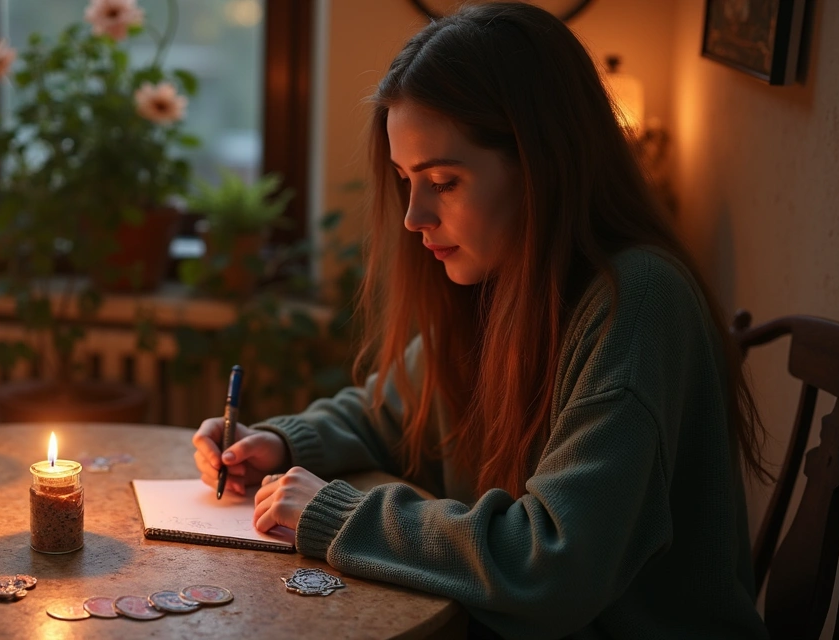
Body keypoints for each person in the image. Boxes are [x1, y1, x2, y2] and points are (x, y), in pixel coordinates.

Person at [192, 2, 770, 638]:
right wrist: (278, 442)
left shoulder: (637, 303)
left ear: (542, 164)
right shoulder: (498, 279)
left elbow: (549, 564)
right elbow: (390, 409)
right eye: (406, 178)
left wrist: (340, 514)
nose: (414, 216)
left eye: (444, 180)